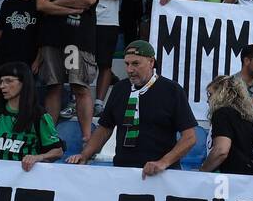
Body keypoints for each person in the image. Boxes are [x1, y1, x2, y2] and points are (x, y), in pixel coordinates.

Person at [69, 40, 196, 177]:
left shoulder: (172, 90)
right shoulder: (119, 89)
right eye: (127, 64)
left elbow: (189, 137)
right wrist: (85, 155)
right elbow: (104, 129)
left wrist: (163, 162)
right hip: (123, 172)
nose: (129, 70)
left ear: (151, 62)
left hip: (162, 176)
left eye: (136, 63)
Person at [36, 0, 99, 138]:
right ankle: (50, 138)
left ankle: (87, 138)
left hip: (79, 41)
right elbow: (41, 5)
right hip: (52, 40)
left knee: (80, 87)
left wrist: (57, 4)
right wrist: (71, 8)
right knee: (53, 87)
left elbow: (89, 0)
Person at [0, 61, 63, 170]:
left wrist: (37, 157)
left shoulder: (39, 115)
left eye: (9, 81)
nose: (2, 86)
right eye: (1, 81)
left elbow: (57, 151)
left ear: (24, 83)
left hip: (22, 179)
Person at [201, 75, 253, 175]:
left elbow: (221, 151)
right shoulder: (248, 116)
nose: (208, 100)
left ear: (221, 94)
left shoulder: (222, 114)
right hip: (250, 175)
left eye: (210, 94)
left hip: (231, 178)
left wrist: (202, 171)